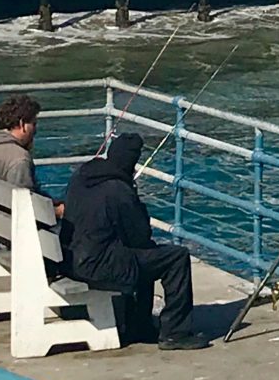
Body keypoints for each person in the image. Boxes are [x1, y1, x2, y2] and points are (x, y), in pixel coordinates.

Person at [63, 132, 208, 351]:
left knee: (144, 255)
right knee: (175, 257)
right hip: (97, 266)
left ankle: (139, 324)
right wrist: (135, 199)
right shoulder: (119, 190)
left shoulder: (81, 177)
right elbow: (140, 235)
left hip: (71, 259)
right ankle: (175, 332)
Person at [0, 94, 43, 191]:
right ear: (22, 123)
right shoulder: (19, 158)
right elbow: (24, 198)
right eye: (33, 124)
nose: (35, 130)